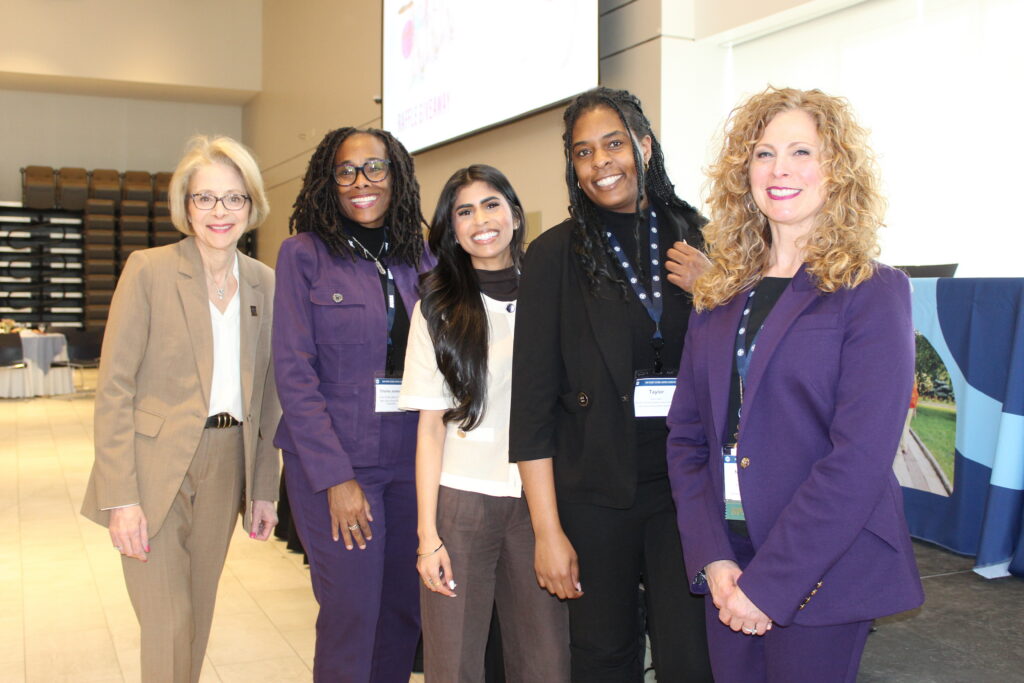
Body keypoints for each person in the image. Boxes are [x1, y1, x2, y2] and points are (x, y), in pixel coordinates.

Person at [665, 86, 925, 682]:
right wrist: (713, 557)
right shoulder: (719, 295)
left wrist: (771, 584)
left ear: (837, 170)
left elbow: (857, 459)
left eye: (801, 152)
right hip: (728, 558)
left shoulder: (874, 292)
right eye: (764, 154)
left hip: (821, 564)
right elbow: (687, 438)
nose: (779, 169)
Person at [509, 86, 713, 682]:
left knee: (692, 656)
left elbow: (742, 363)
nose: (600, 162)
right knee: (603, 656)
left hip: (685, 487)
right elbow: (531, 405)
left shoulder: (699, 238)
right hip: (593, 491)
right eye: (583, 152)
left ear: (644, 147)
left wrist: (717, 290)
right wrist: (547, 531)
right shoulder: (553, 255)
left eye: (614, 144)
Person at [81, 135, 281, 683]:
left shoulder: (264, 282)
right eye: (205, 198)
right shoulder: (148, 270)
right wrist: (121, 498)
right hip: (152, 470)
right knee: (167, 625)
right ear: (185, 206)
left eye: (234, 198)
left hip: (227, 465)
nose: (220, 212)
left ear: (251, 205)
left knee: (196, 618)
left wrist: (264, 487)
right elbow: (114, 387)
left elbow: (269, 397)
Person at [273, 126, 435, 682]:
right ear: (330, 181)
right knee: (351, 615)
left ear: (397, 176)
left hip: (412, 463)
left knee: (403, 614)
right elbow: (294, 373)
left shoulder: (423, 257)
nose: (361, 182)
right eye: (346, 171)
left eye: (374, 168)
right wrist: (336, 479)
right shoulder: (304, 255)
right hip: (339, 466)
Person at [399, 165, 570, 682]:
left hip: (542, 501)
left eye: (491, 204)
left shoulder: (555, 291)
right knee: (454, 663)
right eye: (465, 211)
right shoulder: (436, 307)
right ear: (452, 229)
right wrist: (428, 535)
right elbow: (430, 429)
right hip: (462, 502)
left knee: (546, 662)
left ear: (515, 215)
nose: (481, 220)